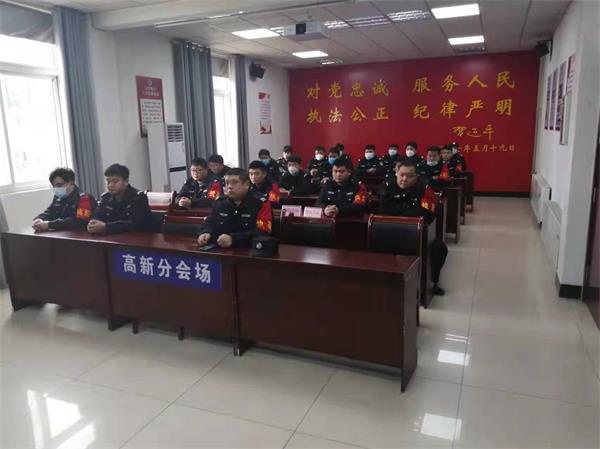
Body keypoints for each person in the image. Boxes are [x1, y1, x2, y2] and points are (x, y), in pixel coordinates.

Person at [380, 160, 448, 295]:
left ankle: (433, 283)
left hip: (420, 232)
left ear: (416, 176)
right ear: (396, 173)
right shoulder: (388, 186)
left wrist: (401, 215)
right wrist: (407, 213)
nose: (404, 179)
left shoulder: (424, 187)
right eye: (402, 175)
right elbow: (384, 209)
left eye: (409, 176)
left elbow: (426, 211)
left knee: (440, 248)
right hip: (392, 230)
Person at [197, 168, 272, 248]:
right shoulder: (220, 202)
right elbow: (210, 221)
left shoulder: (260, 203)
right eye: (227, 183)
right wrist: (206, 232)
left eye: (234, 182)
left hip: (248, 250)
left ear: (246, 184)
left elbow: (263, 232)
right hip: (220, 249)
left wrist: (234, 239)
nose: (229, 186)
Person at [88, 164, 152, 234]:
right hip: (112, 237)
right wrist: (93, 223)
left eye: (115, 181)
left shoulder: (138, 197)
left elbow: (135, 224)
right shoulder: (106, 197)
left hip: (136, 237)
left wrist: (106, 227)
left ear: (126, 181)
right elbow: (98, 215)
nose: (110, 185)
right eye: (108, 181)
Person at [32, 167, 95, 232]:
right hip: (61, 233)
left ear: (71, 183)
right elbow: (49, 212)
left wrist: (49, 225)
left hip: (81, 234)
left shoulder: (84, 198)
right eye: (53, 186)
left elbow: (80, 221)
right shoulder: (57, 197)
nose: (56, 188)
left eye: (59, 185)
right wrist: (39, 219)